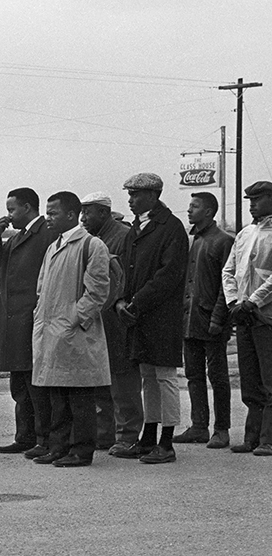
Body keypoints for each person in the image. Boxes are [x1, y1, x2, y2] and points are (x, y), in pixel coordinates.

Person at [28, 192, 111, 467]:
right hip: (51, 331)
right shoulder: (54, 246)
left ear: (71, 215)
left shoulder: (91, 245)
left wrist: (72, 320)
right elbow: (42, 287)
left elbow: (97, 291)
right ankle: (59, 446)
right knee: (57, 395)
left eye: (53, 213)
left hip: (73, 333)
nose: (48, 218)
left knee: (79, 395)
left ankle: (82, 450)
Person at [112, 172, 188, 464]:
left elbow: (169, 275)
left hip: (161, 315)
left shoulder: (171, 227)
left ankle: (166, 442)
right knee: (147, 376)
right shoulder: (136, 228)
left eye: (135, 195)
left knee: (165, 377)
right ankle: (148, 436)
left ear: (154, 195)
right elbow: (128, 271)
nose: (130, 200)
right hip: (138, 314)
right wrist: (120, 301)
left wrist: (136, 302)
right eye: (129, 194)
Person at [0, 187, 54, 454]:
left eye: (12, 209)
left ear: (27, 207)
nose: (9, 215)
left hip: (32, 318)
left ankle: (43, 438)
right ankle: (24, 436)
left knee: (36, 384)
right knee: (20, 384)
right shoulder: (16, 239)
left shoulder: (46, 235)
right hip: (13, 320)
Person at [172, 191, 234, 448]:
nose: (189, 210)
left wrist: (219, 318)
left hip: (212, 320)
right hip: (190, 319)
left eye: (194, 206)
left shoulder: (223, 241)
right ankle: (199, 426)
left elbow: (226, 284)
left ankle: (222, 428)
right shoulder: (193, 240)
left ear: (208, 211)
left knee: (217, 376)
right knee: (193, 374)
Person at [80, 192, 138, 452]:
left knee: (121, 379)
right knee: (101, 378)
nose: (83, 218)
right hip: (98, 318)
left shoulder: (123, 237)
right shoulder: (93, 239)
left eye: (87, 212)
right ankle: (105, 433)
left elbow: (123, 279)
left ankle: (127, 434)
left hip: (116, 318)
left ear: (103, 212)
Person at [223, 181, 272, 455]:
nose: (252, 204)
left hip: (266, 316)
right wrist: (234, 301)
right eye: (250, 200)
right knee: (249, 379)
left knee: (269, 379)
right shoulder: (244, 234)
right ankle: (252, 436)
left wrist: (253, 301)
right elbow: (228, 270)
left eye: (258, 199)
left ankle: (269, 438)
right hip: (244, 315)